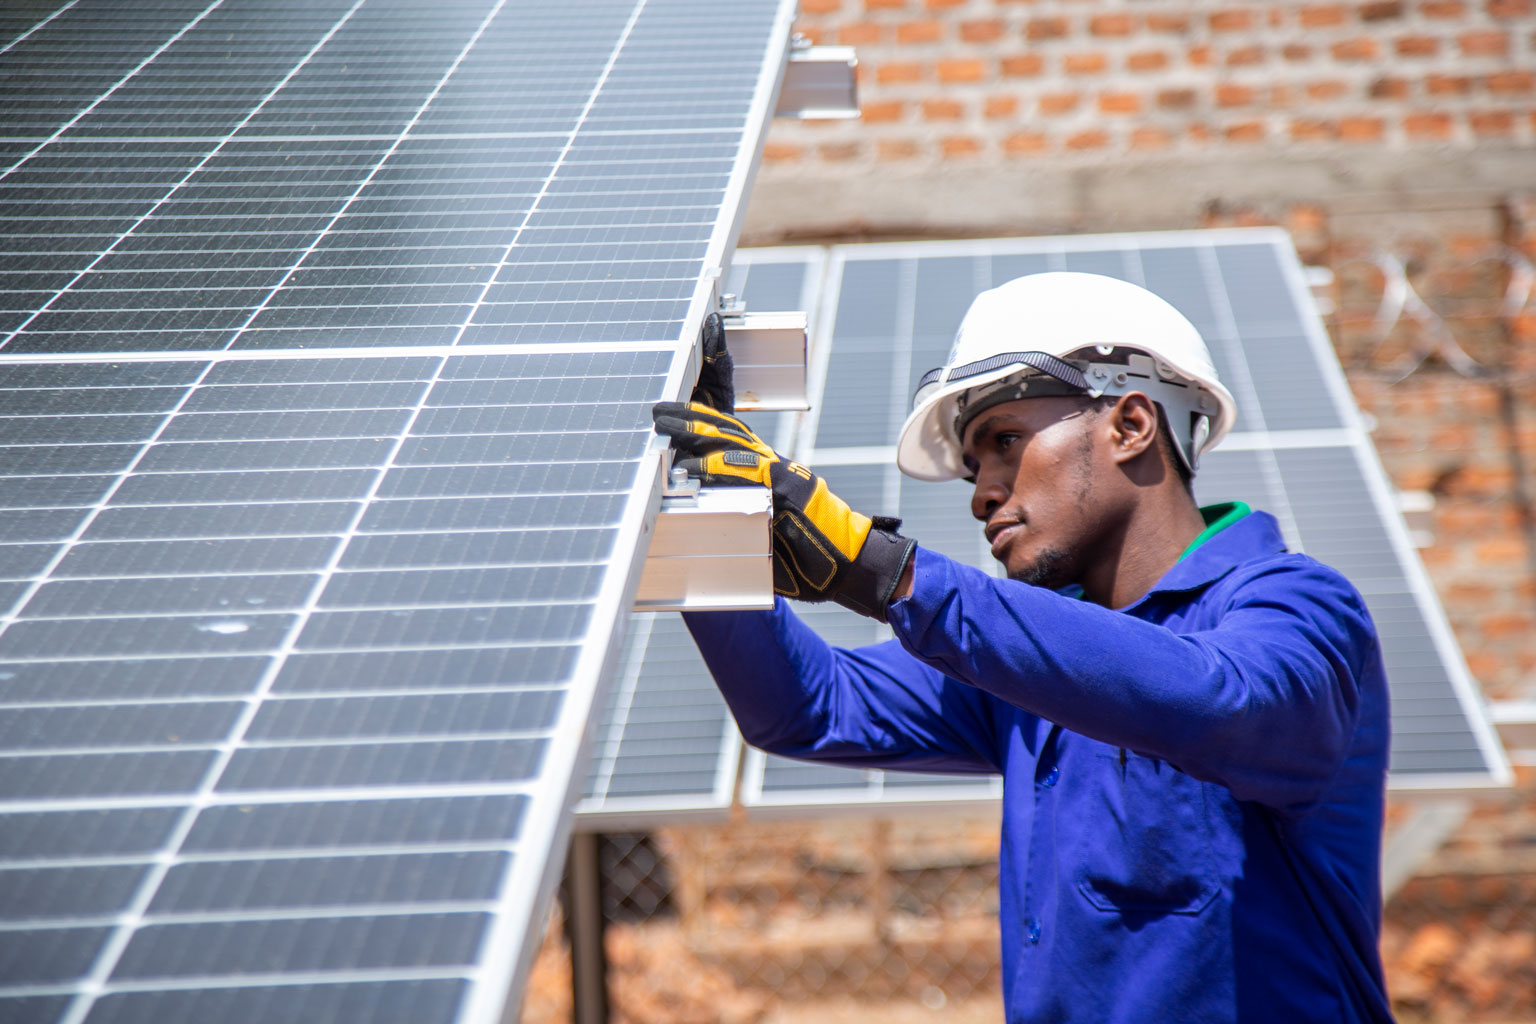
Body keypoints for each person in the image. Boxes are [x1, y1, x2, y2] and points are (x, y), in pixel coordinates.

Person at [653, 272, 1393, 1023]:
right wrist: (715, 526)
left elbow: (1226, 702)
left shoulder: (1297, 605)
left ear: (1131, 424)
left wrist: (887, 572)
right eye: (975, 466)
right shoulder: (1030, 659)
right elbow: (808, 707)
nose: (982, 492)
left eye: (1005, 442)